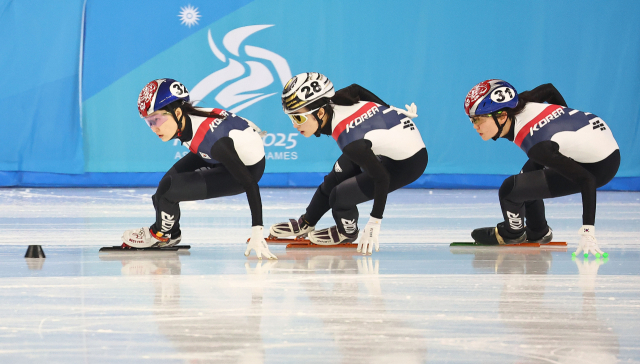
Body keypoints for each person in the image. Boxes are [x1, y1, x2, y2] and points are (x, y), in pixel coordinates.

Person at [269, 72, 428, 255]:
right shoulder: (334, 100)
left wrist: (375, 221)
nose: (295, 126)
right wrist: (389, 109)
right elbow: (356, 89)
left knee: (340, 196)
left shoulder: (349, 139)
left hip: (408, 163)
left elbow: (382, 178)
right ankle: (306, 222)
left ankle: (347, 232)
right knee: (332, 180)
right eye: (291, 118)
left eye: (298, 118)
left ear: (320, 113)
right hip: (383, 145)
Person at [121, 78, 276, 259]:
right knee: (162, 191)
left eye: (157, 120)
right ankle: (171, 233)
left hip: (245, 170)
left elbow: (250, 183)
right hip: (221, 153)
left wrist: (257, 232)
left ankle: (159, 235)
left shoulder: (214, 141)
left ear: (178, 112)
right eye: (149, 122)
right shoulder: (189, 118)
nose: (154, 128)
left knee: (168, 189)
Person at [464, 79, 620, 256]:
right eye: (471, 120)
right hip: (600, 142)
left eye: (478, 119)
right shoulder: (521, 102)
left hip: (598, 167)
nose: (475, 126)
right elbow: (549, 89)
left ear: (502, 116)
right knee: (526, 178)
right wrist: (564, 114)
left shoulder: (538, 147)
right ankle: (539, 231)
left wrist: (588, 233)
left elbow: (587, 180)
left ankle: (512, 234)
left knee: (510, 190)